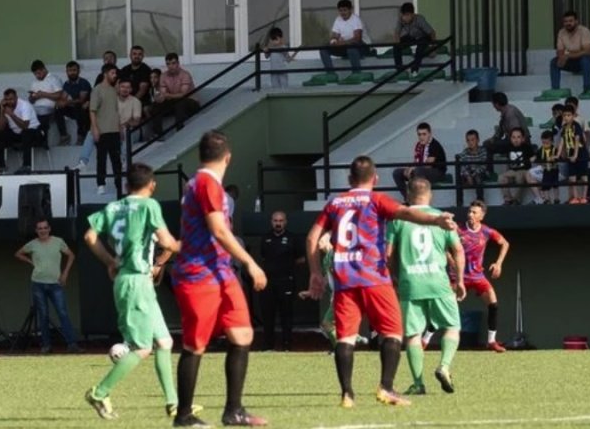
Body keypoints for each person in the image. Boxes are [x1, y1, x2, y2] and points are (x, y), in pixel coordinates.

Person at [306, 156, 458, 408]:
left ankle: (347, 394)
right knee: (393, 332)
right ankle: (386, 388)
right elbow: (406, 212)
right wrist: (436, 220)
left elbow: (313, 238)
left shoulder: (335, 202)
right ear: (375, 179)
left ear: (349, 179)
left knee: (345, 338)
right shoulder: (376, 199)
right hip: (374, 277)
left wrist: (314, 273)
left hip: (345, 280)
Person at [169, 131, 267, 428]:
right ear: (228, 157)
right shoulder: (206, 183)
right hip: (199, 274)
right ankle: (184, 416)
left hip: (220, 271)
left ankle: (233, 411)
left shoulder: (200, 183)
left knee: (242, 335)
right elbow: (219, 231)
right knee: (195, 344)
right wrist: (250, 262)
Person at [83, 164, 185, 421]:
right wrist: (196, 244)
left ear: (127, 186)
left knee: (165, 342)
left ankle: (174, 404)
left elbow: (89, 236)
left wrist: (109, 261)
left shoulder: (113, 207)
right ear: (152, 185)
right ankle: (99, 391)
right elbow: (167, 242)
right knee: (141, 348)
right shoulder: (150, 206)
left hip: (132, 281)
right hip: (136, 281)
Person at [386, 177, 465, 395]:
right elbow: (458, 250)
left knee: (412, 334)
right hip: (438, 281)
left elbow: (388, 254)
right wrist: (459, 280)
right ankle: (444, 366)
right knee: (452, 327)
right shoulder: (443, 218)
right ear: (430, 195)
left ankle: (418, 383)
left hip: (410, 283)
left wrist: (393, 277)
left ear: (408, 195)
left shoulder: (398, 219)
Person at [14, 219, 81, 354]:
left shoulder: (58, 241)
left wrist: (65, 274)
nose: (42, 230)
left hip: (56, 283)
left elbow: (71, 255)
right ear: (36, 231)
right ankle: (46, 345)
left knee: (62, 313)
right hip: (38, 283)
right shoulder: (32, 244)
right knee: (43, 315)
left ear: (49, 229)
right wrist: (30, 262)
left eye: (45, 228)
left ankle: (72, 344)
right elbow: (18, 253)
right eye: (40, 228)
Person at [457, 200, 510, 351]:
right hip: (458, 276)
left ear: (482, 216)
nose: (470, 214)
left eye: (474, 212)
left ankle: (492, 341)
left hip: (477, 276)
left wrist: (498, 264)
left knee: (493, 304)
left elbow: (505, 244)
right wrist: (452, 262)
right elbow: (444, 247)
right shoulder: (458, 230)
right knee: (443, 307)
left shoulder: (486, 231)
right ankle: (425, 339)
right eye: (469, 211)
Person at [257, 211, 302, 352]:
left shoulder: (292, 238)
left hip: (286, 281)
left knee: (286, 315)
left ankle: (287, 345)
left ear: (285, 222)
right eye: (275, 220)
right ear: (271, 221)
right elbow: (262, 257)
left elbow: (300, 259)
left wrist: (287, 267)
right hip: (269, 282)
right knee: (268, 315)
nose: (278, 223)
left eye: (281, 220)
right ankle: (267, 346)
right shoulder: (265, 239)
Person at [90, 63, 123, 196]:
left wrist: (120, 127)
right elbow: (92, 110)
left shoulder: (114, 90)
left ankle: (118, 182)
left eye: (115, 73)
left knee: (116, 159)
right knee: (101, 159)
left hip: (114, 130)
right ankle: (101, 184)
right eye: (112, 73)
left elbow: (117, 111)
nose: (115, 76)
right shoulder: (97, 90)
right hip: (102, 130)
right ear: (105, 74)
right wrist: (95, 129)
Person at [549, 10, 590, 93]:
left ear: (576, 21)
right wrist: (561, 56)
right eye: (565, 21)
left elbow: (586, 51)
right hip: (575, 61)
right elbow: (560, 50)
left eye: (570, 21)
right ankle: (555, 90)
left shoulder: (584, 31)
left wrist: (567, 55)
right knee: (554, 62)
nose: (568, 23)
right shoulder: (561, 32)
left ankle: (587, 89)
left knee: (585, 60)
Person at [391, 123, 447, 195]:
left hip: (437, 172)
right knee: (397, 172)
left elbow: (428, 165)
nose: (421, 137)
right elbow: (416, 161)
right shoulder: (419, 145)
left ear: (429, 134)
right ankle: (409, 198)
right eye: (419, 134)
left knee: (418, 171)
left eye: (424, 134)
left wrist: (413, 169)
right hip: (421, 170)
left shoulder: (434, 145)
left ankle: (417, 199)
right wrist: (409, 169)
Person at [151, 53, 200, 132]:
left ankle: (179, 131)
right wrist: (160, 98)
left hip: (191, 102)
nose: (171, 66)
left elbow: (183, 94)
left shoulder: (185, 75)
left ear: (178, 63)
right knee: (155, 105)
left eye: (173, 63)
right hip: (173, 102)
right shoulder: (163, 76)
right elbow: (163, 93)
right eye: (168, 64)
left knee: (180, 102)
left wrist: (167, 95)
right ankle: (157, 133)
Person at [319, 0, 368, 77]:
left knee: (351, 48)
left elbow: (357, 39)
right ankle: (330, 74)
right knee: (324, 49)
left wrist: (342, 43)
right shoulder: (338, 19)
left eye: (345, 10)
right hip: (345, 47)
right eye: (340, 11)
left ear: (350, 9)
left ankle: (357, 73)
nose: (343, 13)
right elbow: (335, 35)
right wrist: (334, 41)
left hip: (362, 47)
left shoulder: (356, 19)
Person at [0, 87, 41, 174]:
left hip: (33, 132)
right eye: (6, 99)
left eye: (11, 99)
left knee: (26, 133)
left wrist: (11, 114)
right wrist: (1, 111)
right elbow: (0, 127)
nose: (9, 102)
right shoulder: (5, 108)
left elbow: (25, 126)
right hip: (17, 133)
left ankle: (26, 165)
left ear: (16, 98)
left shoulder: (24, 105)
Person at [393, 2, 437, 77]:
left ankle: (415, 70)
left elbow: (432, 33)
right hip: (412, 36)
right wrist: (398, 44)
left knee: (419, 48)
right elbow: (397, 33)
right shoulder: (401, 20)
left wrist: (433, 49)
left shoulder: (419, 19)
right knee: (396, 47)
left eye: (407, 15)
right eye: (403, 15)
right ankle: (399, 70)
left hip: (424, 36)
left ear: (412, 14)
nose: (405, 18)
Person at [29, 60, 67, 144]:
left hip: (50, 110)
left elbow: (58, 95)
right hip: (36, 110)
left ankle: (43, 142)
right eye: (35, 74)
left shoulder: (54, 79)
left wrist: (43, 94)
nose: (37, 76)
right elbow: (30, 99)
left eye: (38, 73)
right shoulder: (34, 83)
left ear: (43, 69)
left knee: (42, 122)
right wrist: (33, 97)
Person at [557, 106, 589, 203]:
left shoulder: (576, 126)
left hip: (581, 151)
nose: (566, 117)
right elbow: (562, 142)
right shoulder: (563, 128)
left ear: (573, 116)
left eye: (569, 115)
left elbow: (577, 140)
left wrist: (575, 155)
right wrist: (557, 154)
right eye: (564, 115)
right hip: (570, 152)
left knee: (584, 176)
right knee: (572, 177)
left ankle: (584, 197)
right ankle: (575, 197)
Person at [58, 61, 92, 145]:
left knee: (79, 107)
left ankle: (81, 136)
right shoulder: (67, 84)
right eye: (69, 70)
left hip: (86, 109)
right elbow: (63, 98)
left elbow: (81, 100)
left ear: (78, 71)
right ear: (66, 72)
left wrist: (66, 102)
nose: (72, 73)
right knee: (58, 109)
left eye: (74, 70)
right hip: (74, 107)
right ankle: (64, 135)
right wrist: (60, 103)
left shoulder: (83, 82)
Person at [484, 92, 528, 156]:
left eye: (493, 104)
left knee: (488, 146)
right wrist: (494, 138)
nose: (493, 106)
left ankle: (489, 165)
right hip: (511, 139)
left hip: (518, 141)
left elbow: (516, 134)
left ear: (497, 104)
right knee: (488, 143)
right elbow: (500, 131)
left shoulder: (510, 113)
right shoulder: (505, 112)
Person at [498, 128, 534, 205]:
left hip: (524, 170)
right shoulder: (508, 147)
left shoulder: (527, 147)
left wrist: (533, 158)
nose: (516, 139)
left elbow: (535, 156)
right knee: (501, 177)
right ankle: (508, 199)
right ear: (510, 138)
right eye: (513, 137)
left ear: (523, 138)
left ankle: (516, 200)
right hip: (512, 171)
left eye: (518, 137)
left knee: (519, 176)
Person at [455, 130, 490, 200]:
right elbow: (462, 166)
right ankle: (459, 202)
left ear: (478, 140)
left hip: (480, 173)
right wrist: (468, 175)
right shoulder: (465, 152)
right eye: (468, 140)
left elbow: (483, 166)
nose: (470, 142)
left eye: (472, 140)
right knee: (459, 179)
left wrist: (473, 175)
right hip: (469, 174)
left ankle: (480, 201)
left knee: (478, 178)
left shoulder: (483, 151)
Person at [528, 129, 560, 204]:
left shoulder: (555, 150)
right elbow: (536, 155)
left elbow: (559, 157)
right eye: (543, 143)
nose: (545, 145)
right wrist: (534, 157)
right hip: (546, 170)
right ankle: (547, 199)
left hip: (554, 170)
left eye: (547, 143)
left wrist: (554, 157)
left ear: (552, 142)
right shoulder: (541, 150)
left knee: (556, 185)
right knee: (545, 185)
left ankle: (556, 199)